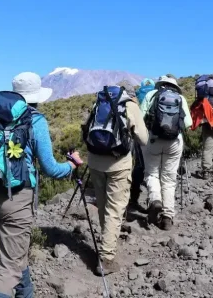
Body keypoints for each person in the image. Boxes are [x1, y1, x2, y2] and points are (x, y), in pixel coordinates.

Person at [0, 71, 80, 298]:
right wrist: (71, 166)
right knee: (8, 268)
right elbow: (51, 168)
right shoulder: (36, 120)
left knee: (14, 256)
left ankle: (26, 294)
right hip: (17, 198)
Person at [85, 82, 148, 275]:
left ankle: (107, 240)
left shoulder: (98, 104)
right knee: (115, 207)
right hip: (118, 164)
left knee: (104, 205)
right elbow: (143, 139)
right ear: (129, 94)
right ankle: (106, 257)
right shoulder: (130, 106)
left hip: (95, 161)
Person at [139, 76, 191, 231]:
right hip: (174, 142)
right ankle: (167, 217)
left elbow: (141, 119)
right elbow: (188, 124)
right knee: (169, 178)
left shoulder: (151, 95)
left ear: (160, 85)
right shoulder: (180, 98)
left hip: (153, 140)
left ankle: (155, 199)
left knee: (152, 174)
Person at [129, 79, 155, 211]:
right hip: (158, 135)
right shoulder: (156, 93)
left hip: (140, 132)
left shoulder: (138, 93)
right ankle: (155, 198)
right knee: (155, 167)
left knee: (139, 164)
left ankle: (134, 196)